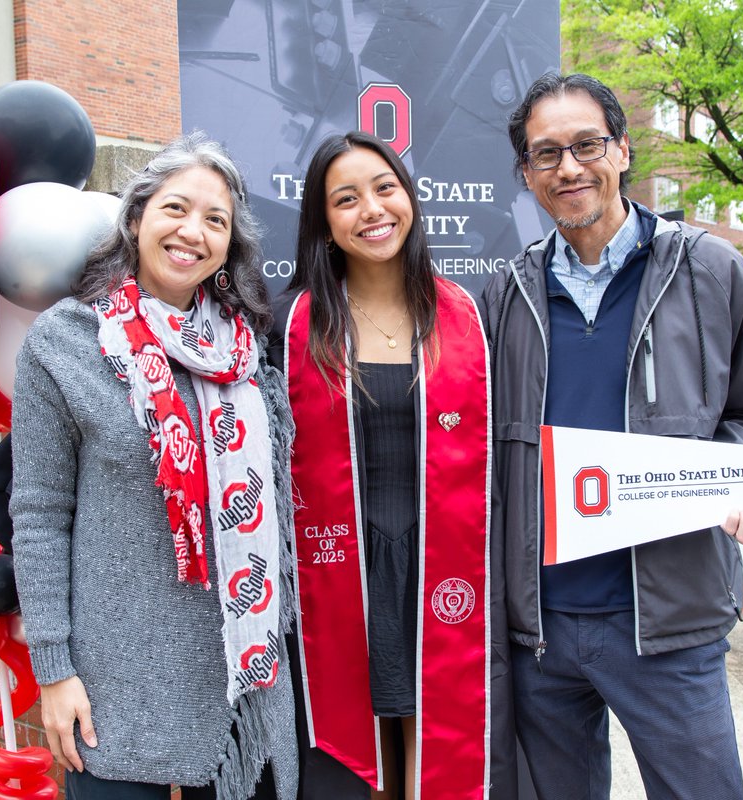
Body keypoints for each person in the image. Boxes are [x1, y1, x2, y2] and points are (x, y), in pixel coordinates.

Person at [479, 73, 743, 800]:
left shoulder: (710, 270)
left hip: (668, 623)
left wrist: (736, 477)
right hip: (542, 628)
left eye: (586, 144)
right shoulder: (507, 292)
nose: (569, 168)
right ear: (527, 175)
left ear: (621, 150)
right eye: (546, 154)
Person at [9, 132, 297, 800]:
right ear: (136, 219)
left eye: (215, 220)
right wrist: (53, 671)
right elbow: (40, 517)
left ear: (230, 245)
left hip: (237, 681)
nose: (192, 231)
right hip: (114, 682)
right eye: (175, 208)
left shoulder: (249, 349)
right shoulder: (67, 341)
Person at [270, 131, 496, 800]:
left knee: (433, 756)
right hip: (336, 575)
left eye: (385, 188)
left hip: (438, 566)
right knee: (356, 772)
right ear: (325, 224)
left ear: (410, 200)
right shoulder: (289, 326)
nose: (371, 209)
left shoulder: (466, 316)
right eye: (346, 199)